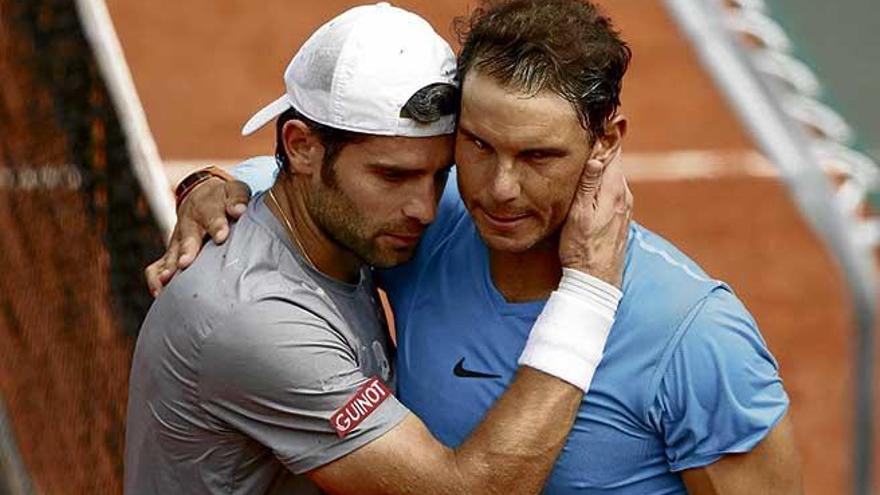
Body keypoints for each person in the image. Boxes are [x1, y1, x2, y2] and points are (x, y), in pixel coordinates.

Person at [150, 0, 803, 493]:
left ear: (606, 141)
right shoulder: (430, 230)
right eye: (478, 145)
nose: (498, 190)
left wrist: (589, 293)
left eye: (539, 154)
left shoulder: (695, 337)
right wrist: (213, 185)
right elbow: (307, 187)